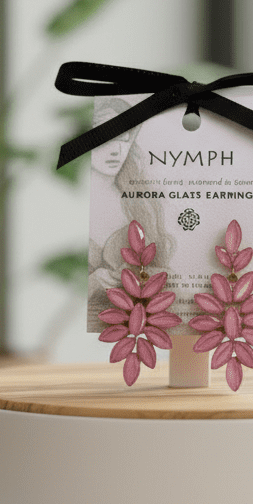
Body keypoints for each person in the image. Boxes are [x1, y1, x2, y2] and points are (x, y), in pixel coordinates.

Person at [87, 97, 174, 331]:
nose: (116, 149)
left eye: (125, 138)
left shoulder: (141, 204)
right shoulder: (69, 201)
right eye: (106, 138)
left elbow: (163, 271)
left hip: (140, 328)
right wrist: (91, 283)